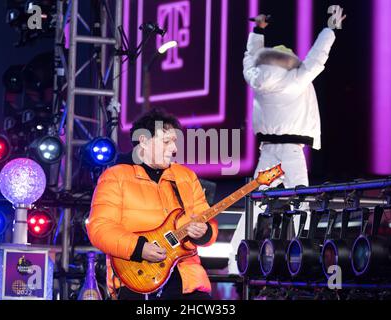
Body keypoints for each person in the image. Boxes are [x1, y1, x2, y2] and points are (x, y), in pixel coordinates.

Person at [229, 12, 344, 274]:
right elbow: (316, 58)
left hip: (268, 152)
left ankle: (235, 260)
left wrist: (257, 32)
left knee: (253, 206)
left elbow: (249, 58)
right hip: (290, 153)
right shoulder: (296, 79)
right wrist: (330, 30)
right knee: (301, 204)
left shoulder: (255, 79)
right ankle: (303, 260)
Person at [87, 108, 219, 300]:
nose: (174, 149)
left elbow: (208, 224)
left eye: (174, 142)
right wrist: (139, 248)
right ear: (144, 141)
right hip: (138, 280)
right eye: (166, 142)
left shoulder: (186, 177)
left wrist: (204, 232)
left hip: (187, 282)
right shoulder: (116, 176)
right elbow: (100, 229)